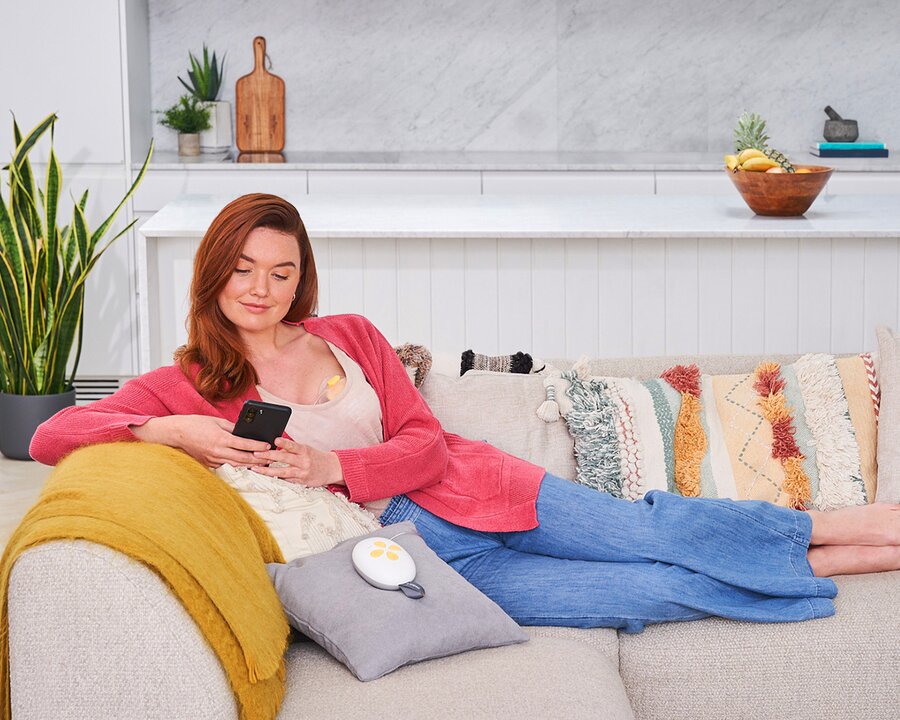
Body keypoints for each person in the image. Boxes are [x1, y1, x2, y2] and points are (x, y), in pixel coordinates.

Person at [31, 193, 900, 633]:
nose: (261, 289)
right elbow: (49, 434)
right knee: (646, 592)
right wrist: (165, 428)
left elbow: (419, 441)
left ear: (303, 278)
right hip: (411, 566)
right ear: (214, 271)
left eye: (282, 271)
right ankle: (842, 566)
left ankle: (841, 525)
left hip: (477, 489)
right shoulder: (187, 380)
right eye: (244, 268)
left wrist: (337, 466)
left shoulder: (349, 336)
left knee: (650, 531)